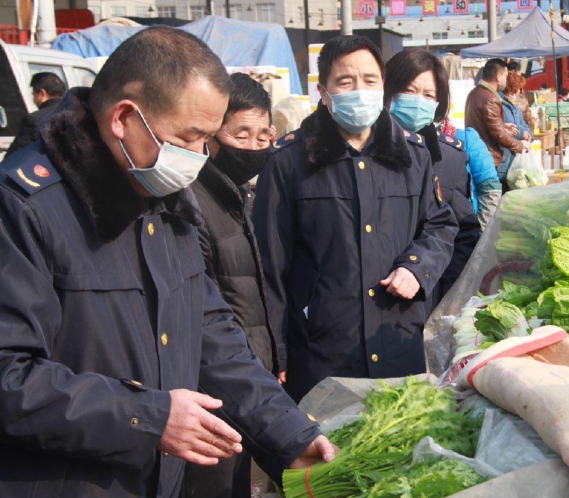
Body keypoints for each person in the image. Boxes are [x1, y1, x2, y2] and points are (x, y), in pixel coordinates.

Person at [0, 27, 333, 497]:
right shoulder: (23, 208)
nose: (199, 157)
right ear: (124, 118)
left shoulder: (166, 201)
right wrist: (148, 418)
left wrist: (290, 433)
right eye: (189, 138)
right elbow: (9, 375)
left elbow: (212, 336)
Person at [252, 35, 458, 403]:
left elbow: (440, 225)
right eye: (345, 82)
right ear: (324, 92)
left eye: (369, 80)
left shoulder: (413, 155)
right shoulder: (288, 161)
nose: (359, 90)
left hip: (399, 341)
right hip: (322, 352)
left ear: (383, 87)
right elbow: (270, 267)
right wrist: (276, 350)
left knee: (396, 448)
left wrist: (417, 267)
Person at [185, 73, 281, 498]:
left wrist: (270, 356)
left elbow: (251, 292)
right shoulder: (192, 200)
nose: (254, 146)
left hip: (245, 374)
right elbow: (209, 308)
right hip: (214, 384)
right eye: (242, 133)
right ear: (211, 134)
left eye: (264, 136)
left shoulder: (238, 197)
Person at [384, 48, 480, 302]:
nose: (418, 101)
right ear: (388, 92)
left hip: (428, 296)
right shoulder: (363, 153)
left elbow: (463, 233)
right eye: (409, 91)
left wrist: (444, 295)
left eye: (428, 95)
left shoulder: (450, 157)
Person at [465, 58, 530, 172]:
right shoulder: (490, 98)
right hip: (488, 157)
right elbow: (498, 134)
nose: (506, 80)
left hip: (478, 153)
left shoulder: (475, 93)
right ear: (498, 77)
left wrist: (503, 126)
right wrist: (520, 145)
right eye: (505, 76)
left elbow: (484, 125)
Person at [5, 72, 66, 157]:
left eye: (33, 94)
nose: (33, 98)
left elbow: (13, 156)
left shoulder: (34, 120)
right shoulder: (76, 113)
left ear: (42, 93)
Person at [454, 126, 501, 230]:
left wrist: (482, 230)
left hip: (467, 228)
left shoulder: (466, 138)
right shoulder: (413, 142)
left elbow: (491, 187)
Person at [498, 72, 534, 184]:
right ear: (513, 89)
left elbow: (526, 127)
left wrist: (528, 135)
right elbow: (504, 126)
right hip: (504, 160)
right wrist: (522, 133)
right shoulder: (499, 104)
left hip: (516, 160)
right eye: (519, 88)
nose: (520, 92)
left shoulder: (515, 108)